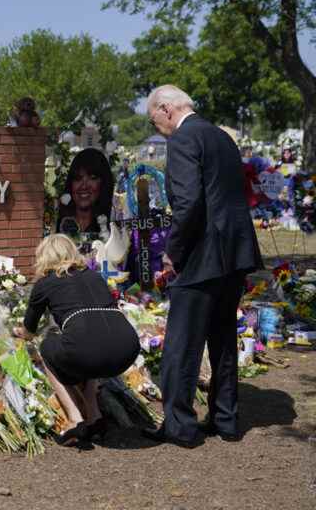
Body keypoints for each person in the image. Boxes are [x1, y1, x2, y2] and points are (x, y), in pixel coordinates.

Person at [144, 85, 262, 448]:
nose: (158, 128)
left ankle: (181, 426)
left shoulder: (182, 140)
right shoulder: (221, 137)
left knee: (182, 344)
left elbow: (189, 203)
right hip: (234, 252)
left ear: (166, 109)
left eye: (154, 120)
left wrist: (172, 253)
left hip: (202, 255)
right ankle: (225, 419)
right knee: (223, 339)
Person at [14, 234, 140, 446]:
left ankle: (75, 420)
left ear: (44, 256)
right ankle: (94, 417)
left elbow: (30, 329)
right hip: (127, 349)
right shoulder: (94, 276)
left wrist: (20, 332)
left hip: (89, 350)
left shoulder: (46, 283)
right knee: (88, 345)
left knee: (47, 347)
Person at [56, 148, 114, 236]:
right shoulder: (58, 224)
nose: (84, 186)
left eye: (92, 178)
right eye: (78, 178)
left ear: (103, 183)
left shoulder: (112, 227)